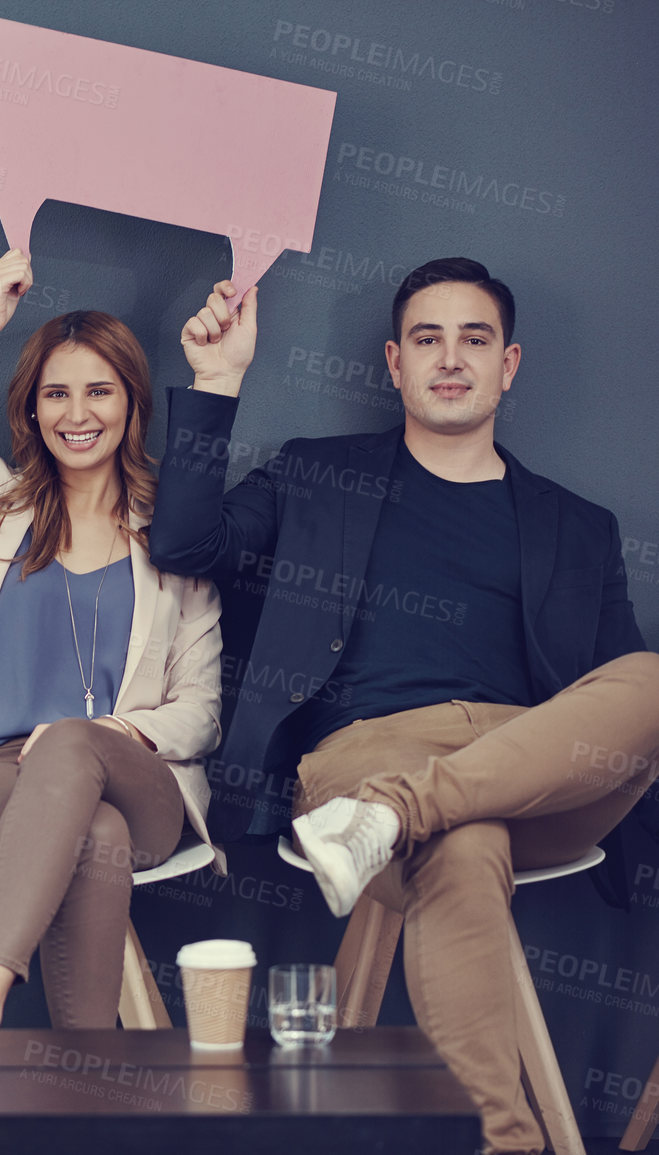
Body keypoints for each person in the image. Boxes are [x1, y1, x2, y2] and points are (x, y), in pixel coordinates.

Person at [151, 260, 659, 1154]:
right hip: (361, 754)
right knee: (463, 846)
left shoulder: (579, 526)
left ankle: (392, 815)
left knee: (651, 680)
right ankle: (507, 1141)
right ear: (393, 362)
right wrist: (217, 382)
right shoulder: (316, 473)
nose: (450, 357)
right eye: (427, 338)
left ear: (509, 365)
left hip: (527, 770)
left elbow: (613, 707)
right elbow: (187, 543)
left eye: (474, 339)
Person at [0, 250, 224, 1029]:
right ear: (30, 409)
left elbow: (201, 712)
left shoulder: (175, 533)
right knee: (94, 835)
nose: (76, 411)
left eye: (98, 390)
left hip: (135, 777)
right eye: (54, 393)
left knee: (71, 747)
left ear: (131, 402)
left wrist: (107, 732)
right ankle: (86, 1087)